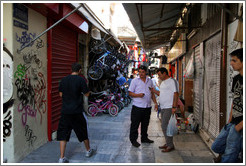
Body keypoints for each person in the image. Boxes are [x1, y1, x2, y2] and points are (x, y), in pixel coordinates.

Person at [57, 63, 96, 163]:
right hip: (77, 111)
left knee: (63, 134)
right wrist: (88, 92)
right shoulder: (81, 80)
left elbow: (61, 95)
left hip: (65, 111)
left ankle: (61, 157)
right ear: (79, 70)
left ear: (71, 69)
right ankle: (88, 150)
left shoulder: (64, 80)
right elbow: (86, 94)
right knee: (83, 131)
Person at [211, 48, 243, 163]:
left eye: (234, 60)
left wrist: (239, 126)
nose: (231, 63)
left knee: (230, 155)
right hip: (233, 122)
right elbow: (235, 100)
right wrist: (230, 120)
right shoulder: (236, 79)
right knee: (216, 146)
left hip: (240, 124)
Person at [128, 65, 158, 147]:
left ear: (146, 72)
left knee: (145, 124)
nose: (141, 74)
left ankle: (144, 138)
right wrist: (138, 95)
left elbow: (152, 93)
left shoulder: (150, 81)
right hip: (137, 107)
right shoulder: (135, 81)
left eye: (143, 72)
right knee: (135, 124)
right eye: (140, 72)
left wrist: (155, 103)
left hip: (147, 107)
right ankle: (133, 140)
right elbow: (130, 93)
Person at [150, 67, 179, 152]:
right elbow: (161, 94)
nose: (159, 77)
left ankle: (170, 145)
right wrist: (153, 91)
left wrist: (174, 107)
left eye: (159, 75)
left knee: (164, 126)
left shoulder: (172, 81)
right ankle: (168, 143)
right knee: (164, 126)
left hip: (169, 107)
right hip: (163, 107)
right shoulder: (163, 83)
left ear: (164, 73)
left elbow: (176, 94)